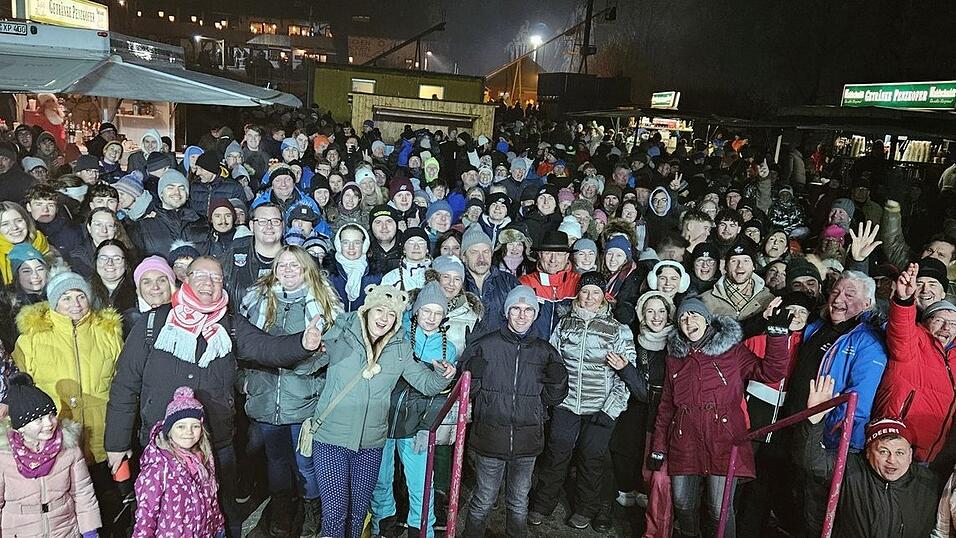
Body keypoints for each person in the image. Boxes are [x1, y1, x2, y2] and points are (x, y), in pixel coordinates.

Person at [104, 256, 325, 537]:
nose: (208, 283)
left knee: (222, 513)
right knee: (162, 517)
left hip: (215, 444)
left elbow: (267, 348)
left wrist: (302, 343)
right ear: (186, 278)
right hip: (162, 446)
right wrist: (116, 442)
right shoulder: (153, 324)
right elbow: (125, 385)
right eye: (201, 276)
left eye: (216, 278)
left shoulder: (230, 325)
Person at [295, 284, 455, 538]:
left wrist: (443, 374)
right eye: (379, 310)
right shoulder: (341, 334)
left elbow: (426, 384)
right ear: (367, 310)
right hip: (331, 439)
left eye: (391, 314)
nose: (384, 318)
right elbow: (304, 369)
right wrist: (307, 347)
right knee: (336, 512)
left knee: (358, 513)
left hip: (371, 444)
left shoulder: (400, 348)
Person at [649, 298, 790, 538]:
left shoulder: (732, 351)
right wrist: (658, 448)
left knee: (719, 510)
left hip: (723, 439)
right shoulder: (675, 358)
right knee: (683, 504)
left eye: (694, 315)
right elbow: (666, 407)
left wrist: (777, 336)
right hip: (685, 439)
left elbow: (771, 372)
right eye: (683, 318)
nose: (688, 321)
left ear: (706, 319)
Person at [239, 245, 343, 536]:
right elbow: (242, 348)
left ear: (307, 269)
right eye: (281, 265)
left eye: (295, 265)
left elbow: (333, 350)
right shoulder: (255, 301)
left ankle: (312, 509)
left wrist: (306, 369)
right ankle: (282, 509)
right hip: (265, 397)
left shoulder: (323, 303)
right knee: (276, 461)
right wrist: (245, 383)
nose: (287, 271)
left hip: (304, 400)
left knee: (305, 463)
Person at [529, 272, 637, 530]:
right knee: (557, 454)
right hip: (567, 405)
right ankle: (543, 503)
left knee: (591, 458)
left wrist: (612, 409)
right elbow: (552, 363)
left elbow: (627, 372)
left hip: (600, 406)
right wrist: (553, 397)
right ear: (579, 294)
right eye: (586, 292)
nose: (589, 298)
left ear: (604, 298)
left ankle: (586, 508)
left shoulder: (617, 329)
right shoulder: (565, 324)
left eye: (596, 293)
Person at [460, 285, 569, 538]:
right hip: (490, 437)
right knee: (484, 499)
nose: (522, 315)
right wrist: (471, 373)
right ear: (507, 312)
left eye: (528, 310)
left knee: (519, 502)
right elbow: (469, 393)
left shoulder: (545, 351)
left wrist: (558, 379)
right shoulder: (485, 346)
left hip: (527, 441)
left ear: (535, 314)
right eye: (516, 309)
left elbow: (554, 398)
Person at [800, 376, 939, 537]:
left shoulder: (927, 484)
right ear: (868, 452)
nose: (892, 460)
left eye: (899, 453)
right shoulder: (849, 468)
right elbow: (810, 460)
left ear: (910, 456)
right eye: (883, 451)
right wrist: (814, 419)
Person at [371, 281, 457, 538]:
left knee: (421, 483)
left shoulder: (447, 348)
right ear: (416, 311)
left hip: (416, 424)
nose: (431, 318)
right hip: (382, 417)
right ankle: (381, 527)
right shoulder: (397, 334)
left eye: (437, 313)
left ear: (443, 316)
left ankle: (423, 531)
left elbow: (441, 394)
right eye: (426, 311)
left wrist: (446, 376)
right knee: (380, 478)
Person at [0, 373, 102, 537]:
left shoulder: (68, 448)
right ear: (21, 427)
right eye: (39, 419)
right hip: (20, 532)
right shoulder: (4, 456)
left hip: (65, 530)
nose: (49, 423)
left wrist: (89, 530)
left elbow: (83, 492)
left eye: (51, 415)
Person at [874, 262, 956, 463]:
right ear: (925, 322)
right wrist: (903, 300)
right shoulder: (915, 340)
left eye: (953, 324)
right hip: (894, 444)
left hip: (932, 457)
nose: (946, 327)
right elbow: (901, 328)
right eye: (939, 320)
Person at [133, 386, 226, 537]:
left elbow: (211, 501)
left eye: (195, 426)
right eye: (181, 426)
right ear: (169, 430)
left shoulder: (204, 459)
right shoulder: (158, 469)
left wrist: (219, 528)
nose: (188, 432)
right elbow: (146, 517)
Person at [132, 169, 209, 257]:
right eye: (170, 187)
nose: (177, 192)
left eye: (182, 188)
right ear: (161, 193)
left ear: (187, 195)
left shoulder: (202, 222)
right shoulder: (143, 226)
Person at [519, 230, 580, 339]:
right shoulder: (524, 283)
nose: (553, 259)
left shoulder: (580, 284)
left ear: (567, 256)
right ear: (539, 255)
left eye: (559, 254)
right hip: (533, 350)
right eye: (547, 253)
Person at [461, 225, 519, 339]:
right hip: (465, 353)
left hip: (500, 352)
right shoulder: (456, 284)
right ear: (463, 257)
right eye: (474, 252)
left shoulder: (509, 282)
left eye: (486, 252)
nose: (481, 258)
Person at [701, 240, 775, 324]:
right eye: (734, 261)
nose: (740, 265)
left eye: (746, 260)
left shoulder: (768, 300)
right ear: (726, 267)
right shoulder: (706, 300)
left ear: (754, 266)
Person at [327, 223, 382, 311]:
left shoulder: (375, 274)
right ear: (338, 244)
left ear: (364, 245)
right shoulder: (328, 272)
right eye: (345, 242)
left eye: (357, 243)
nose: (351, 247)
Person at [0, 201, 52, 286]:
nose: (14, 227)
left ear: (27, 221)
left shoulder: (41, 243)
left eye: (19, 221)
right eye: (5, 224)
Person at [381, 227, 432, 291]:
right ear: (404, 249)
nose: (416, 247)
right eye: (411, 243)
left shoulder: (438, 275)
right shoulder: (391, 278)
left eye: (421, 243)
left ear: (427, 249)